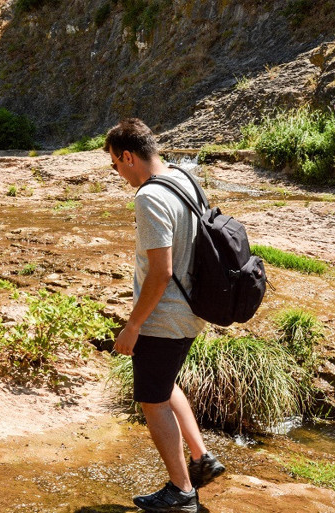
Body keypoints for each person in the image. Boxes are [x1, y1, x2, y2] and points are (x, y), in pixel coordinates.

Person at [106, 119, 225, 513]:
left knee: (152, 400)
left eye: (115, 164)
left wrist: (133, 325)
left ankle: (182, 491)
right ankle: (201, 458)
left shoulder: (149, 197)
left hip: (164, 317)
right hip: (193, 310)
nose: (117, 173)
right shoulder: (184, 177)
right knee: (164, 381)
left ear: (128, 156)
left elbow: (161, 272)